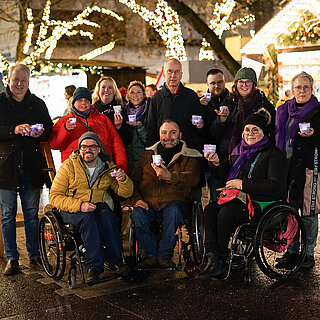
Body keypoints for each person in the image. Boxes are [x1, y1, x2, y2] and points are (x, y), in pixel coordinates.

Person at [198, 111, 286, 279]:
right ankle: (213, 257)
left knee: (226, 213)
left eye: (255, 130)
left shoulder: (273, 155)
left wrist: (243, 184)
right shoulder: (240, 151)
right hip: (239, 199)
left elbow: (276, 187)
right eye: (247, 130)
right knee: (210, 209)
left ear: (264, 133)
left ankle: (221, 259)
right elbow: (221, 173)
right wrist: (216, 162)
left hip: (263, 203)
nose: (250, 134)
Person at [49, 132, 133, 284]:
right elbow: (54, 196)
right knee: (88, 219)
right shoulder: (69, 166)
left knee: (107, 214)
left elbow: (125, 193)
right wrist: (80, 205)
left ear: (99, 149)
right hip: (71, 209)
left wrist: (123, 180)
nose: (88, 150)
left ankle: (117, 260)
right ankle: (93, 266)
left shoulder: (107, 168)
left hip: (95, 207)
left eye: (92, 146)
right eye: (84, 147)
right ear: (79, 149)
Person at [0, 63, 53, 275]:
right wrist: (14, 130)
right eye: (16, 80)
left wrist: (41, 133)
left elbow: (48, 129)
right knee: (7, 215)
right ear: (9, 80)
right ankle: (12, 259)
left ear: (29, 82)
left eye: (23, 80)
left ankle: (34, 256)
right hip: (6, 167)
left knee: (32, 214)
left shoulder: (38, 104)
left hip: (31, 167)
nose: (19, 84)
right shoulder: (0, 102)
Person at [130, 120, 202, 268]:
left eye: (172, 132)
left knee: (173, 212)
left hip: (175, 202)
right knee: (137, 214)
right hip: (148, 203)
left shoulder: (190, 155)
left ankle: (164, 255)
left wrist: (170, 176)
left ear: (180, 135)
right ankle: (151, 253)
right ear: (159, 135)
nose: (167, 136)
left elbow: (193, 178)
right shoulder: (148, 155)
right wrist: (136, 200)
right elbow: (134, 182)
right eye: (164, 133)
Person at [275, 71, 320, 269]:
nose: (302, 90)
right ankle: (291, 251)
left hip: (311, 168)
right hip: (287, 168)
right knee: (290, 210)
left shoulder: (318, 111)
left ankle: (308, 254)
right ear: (292, 90)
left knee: (309, 213)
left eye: (306, 87)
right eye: (298, 87)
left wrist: (312, 135)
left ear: (312, 89)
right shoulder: (284, 110)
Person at [49, 87, 129, 174]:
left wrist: (122, 168)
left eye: (86, 100)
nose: (83, 103)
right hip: (74, 171)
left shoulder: (103, 119)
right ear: (73, 102)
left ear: (90, 102)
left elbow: (117, 145)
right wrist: (65, 130)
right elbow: (54, 144)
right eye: (79, 100)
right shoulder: (64, 121)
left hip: (103, 170)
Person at [146, 58, 204, 151]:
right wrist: (151, 152)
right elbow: (151, 129)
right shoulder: (156, 98)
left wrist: (201, 125)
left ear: (181, 74)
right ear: (164, 74)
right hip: (163, 151)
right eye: (170, 71)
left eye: (177, 72)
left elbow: (201, 124)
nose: (173, 75)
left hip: (188, 150)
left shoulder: (191, 96)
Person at [199, 68, 237, 201]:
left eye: (220, 82)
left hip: (229, 156)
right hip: (210, 159)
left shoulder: (234, 101)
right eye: (213, 83)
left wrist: (224, 121)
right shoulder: (202, 103)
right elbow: (205, 132)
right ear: (207, 84)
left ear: (225, 81)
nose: (217, 86)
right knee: (214, 198)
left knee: (231, 198)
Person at [228, 67, 275, 153]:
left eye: (248, 82)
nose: (244, 85)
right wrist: (222, 119)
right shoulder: (229, 102)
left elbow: (272, 129)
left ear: (254, 85)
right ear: (236, 84)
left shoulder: (263, 104)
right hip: (231, 151)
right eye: (241, 81)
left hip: (257, 151)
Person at [92, 77, 129, 145]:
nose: (106, 90)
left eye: (110, 87)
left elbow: (127, 140)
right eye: (103, 87)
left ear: (114, 91)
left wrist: (119, 127)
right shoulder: (91, 110)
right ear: (98, 90)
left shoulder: (121, 109)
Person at [124, 81, 150, 172]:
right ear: (128, 96)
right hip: (128, 159)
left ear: (143, 94)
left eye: (139, 92)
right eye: (132, 92)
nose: (135, 95)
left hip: (144, 160)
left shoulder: (150, 110)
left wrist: (140, 127)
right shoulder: (124, 112)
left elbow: (150, 141)